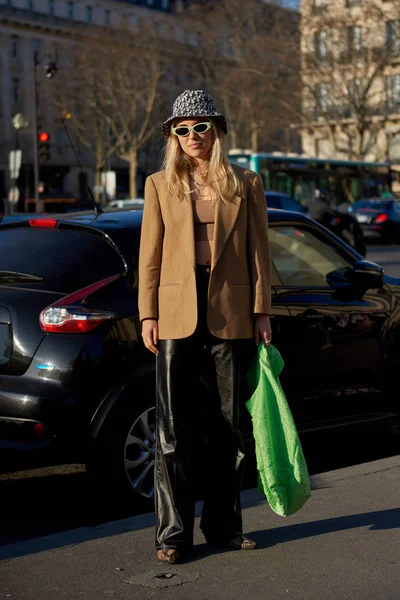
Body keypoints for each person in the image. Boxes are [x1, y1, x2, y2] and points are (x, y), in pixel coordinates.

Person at [138, 90, 272, 564]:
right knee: (173, 430)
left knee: (229, 428)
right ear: (173, 136)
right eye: (182, 129)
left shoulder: (246, 183)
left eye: (201, 127)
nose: (192, 136)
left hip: (230, 312)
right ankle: (172, 535)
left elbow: (260, 253)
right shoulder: (159, 185)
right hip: (176, 311)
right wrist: (147, 314)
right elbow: (149, 256)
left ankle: (224, 526)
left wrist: (261, 312)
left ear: (217, 130)